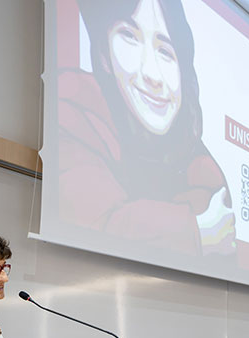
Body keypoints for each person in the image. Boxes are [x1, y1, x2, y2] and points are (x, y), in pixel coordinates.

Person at [58, 0, 235, 257]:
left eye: (166, 51)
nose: (151, 73)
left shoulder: (197, 161)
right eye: (129, 36)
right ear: (104, 56)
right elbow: (97, 221)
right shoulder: (74, 109)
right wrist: (195, 230)